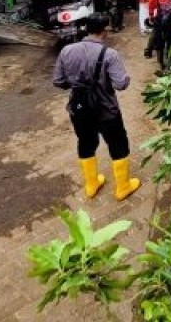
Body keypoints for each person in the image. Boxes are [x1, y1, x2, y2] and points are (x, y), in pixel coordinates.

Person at [52, 14, 140, 201]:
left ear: (86, 29)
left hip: (79, 108)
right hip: (106, 109)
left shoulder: (66, 51)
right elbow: (120, 84)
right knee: (117, 143)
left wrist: (77, 84)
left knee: (85, 142)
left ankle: (91, 184)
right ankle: (122, 187)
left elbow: (58, 81)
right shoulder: (109, 55)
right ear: (105, 30)